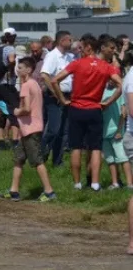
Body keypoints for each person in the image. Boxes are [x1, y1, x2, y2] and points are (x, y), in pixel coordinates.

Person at [52, 35, 122, 191]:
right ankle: (95, 183)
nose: (79, 50)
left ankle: (77, 183)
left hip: (76, 108)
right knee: (95, 148)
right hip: (95, 108)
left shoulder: (76, 64)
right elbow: (120, 85)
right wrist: (108, 102)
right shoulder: (106, 66)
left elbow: (54, 80)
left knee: (76, 147)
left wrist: (62, 99)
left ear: (89, 47)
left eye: (81, 47)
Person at [4, 57, 56, 201]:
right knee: (18, 159)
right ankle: (14, 190)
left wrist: (15, 111)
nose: (18, 70)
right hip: (28, 128)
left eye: (20, 68)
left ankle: (49, 191)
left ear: (28, 70)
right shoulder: (35, 84)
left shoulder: (26, 85)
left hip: (30, 129)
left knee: (37, 161)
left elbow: (26, 109)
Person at [40, 30, 74, 167]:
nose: (71, 43)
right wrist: (56, 92)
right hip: (54, 97)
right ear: (62, 41)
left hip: (67, 95)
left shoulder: (69, 57)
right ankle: (40, 154)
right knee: (53, 129)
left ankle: (58, 161)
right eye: (69, 40)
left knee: (64, 131)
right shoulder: (52, 56)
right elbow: (44, 75)